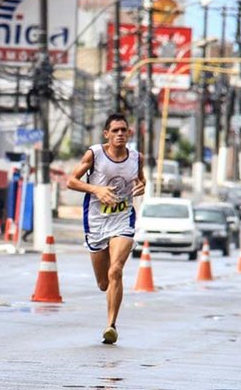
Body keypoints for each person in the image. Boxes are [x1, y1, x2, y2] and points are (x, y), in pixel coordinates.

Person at [66, 113, 146, 345]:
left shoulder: (137, 158)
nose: (120, 134)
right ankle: (109, 309)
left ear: (129, 133)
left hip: (123, 218)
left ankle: (111, 325)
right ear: (107, 134)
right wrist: (96, 190)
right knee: (103, 282)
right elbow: (71, 181)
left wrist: (141, 186)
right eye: (115, 130)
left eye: (124, 130)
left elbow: (141, 180)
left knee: (116, 270)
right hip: (96, 221)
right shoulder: (95, 154)